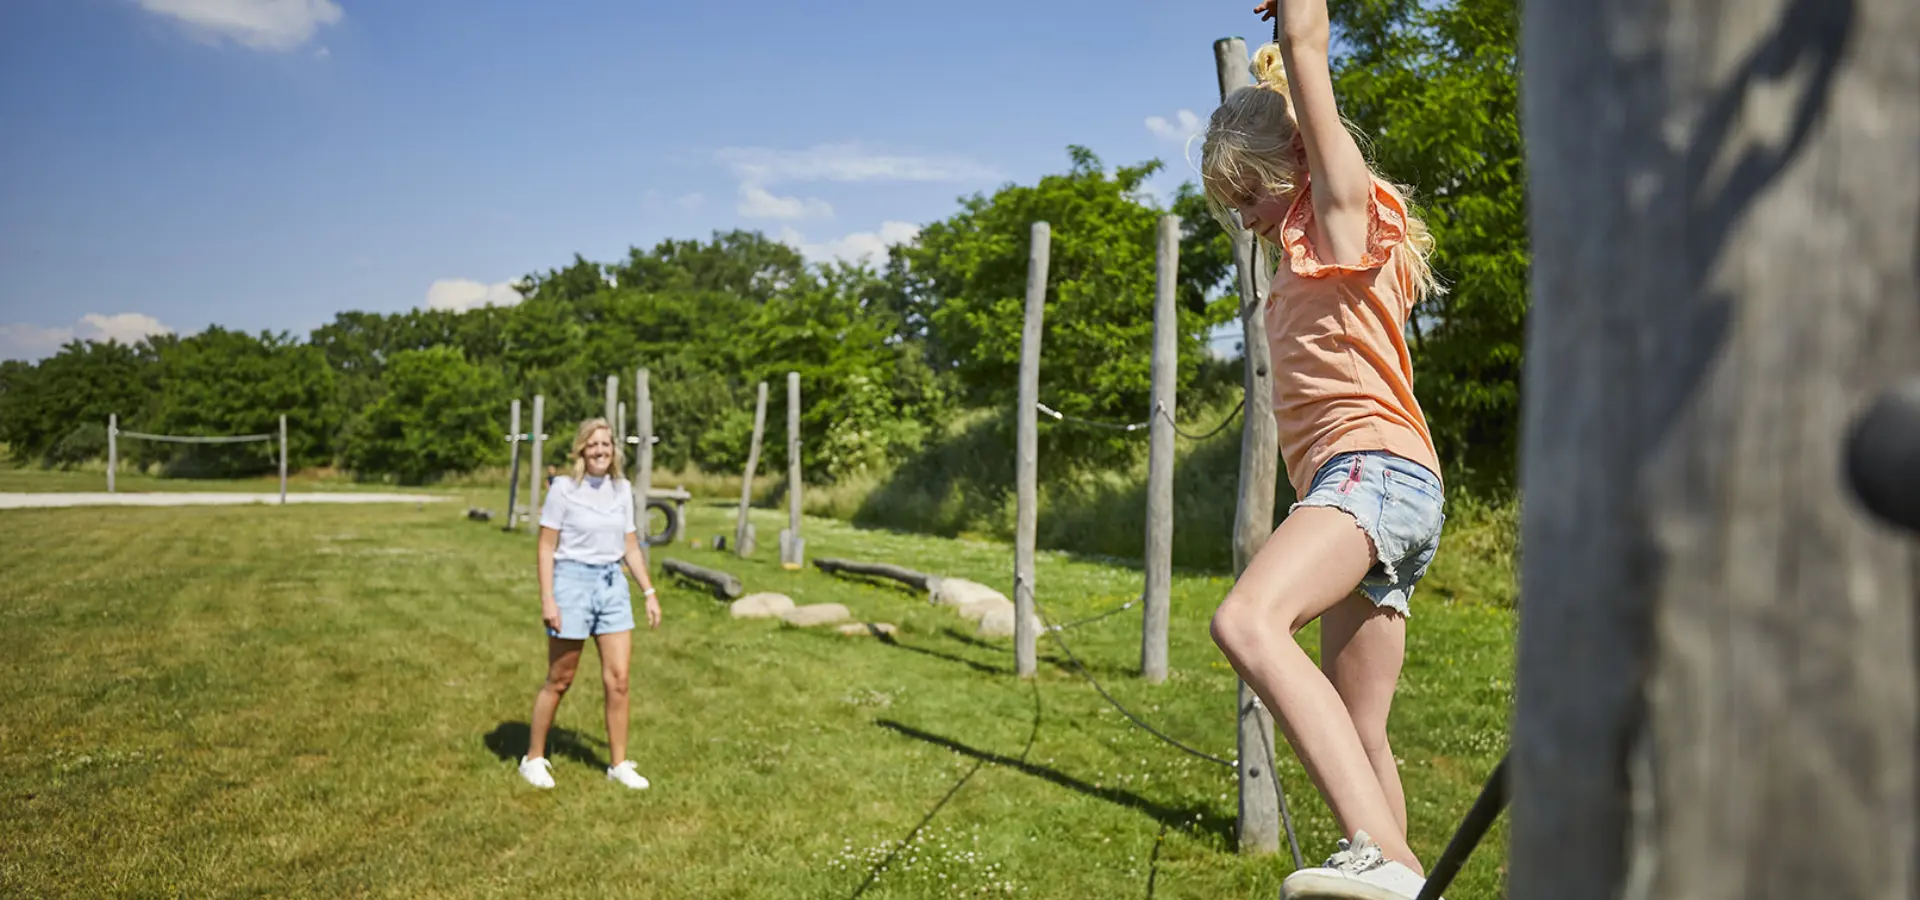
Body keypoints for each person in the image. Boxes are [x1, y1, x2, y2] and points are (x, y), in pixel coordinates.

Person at [1200, 1, 1448, 897]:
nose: (1246, 217)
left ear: (1298, 161)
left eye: (1251, 193)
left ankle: (1374, 854)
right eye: (1229, 207)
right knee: (1359, 725)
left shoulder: (1341, 216)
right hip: (1396, 484)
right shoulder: (1301, 248)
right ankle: (1402, 876)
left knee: (1247, 622)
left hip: (1370, 470)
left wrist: (1299, 15)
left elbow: (1306, 47)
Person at [518, 417, 664, 791]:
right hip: (572, 585)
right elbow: (546, 546)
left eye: (606, 444)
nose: (600, 451)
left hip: (612, 585)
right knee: (560, 678)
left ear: (613, 450)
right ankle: (533, 758)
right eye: (593, 445)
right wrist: (548, 598)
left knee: (619, 680)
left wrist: (648, 592)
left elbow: (629, 544)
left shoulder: (621, 489)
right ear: (581, 449)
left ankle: (618, 764)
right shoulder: (564, 490)